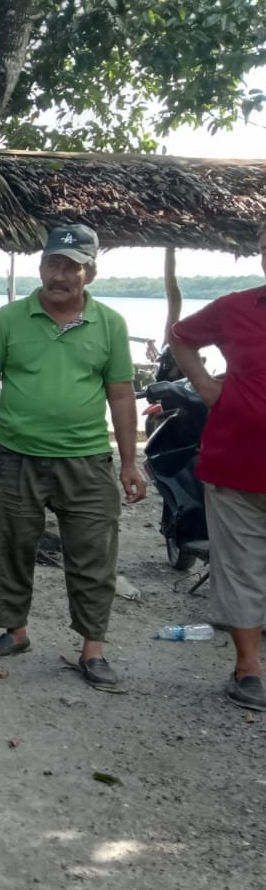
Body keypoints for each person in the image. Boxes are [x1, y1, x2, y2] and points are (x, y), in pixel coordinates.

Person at [0, 223, 147, 689]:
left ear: (90, 273)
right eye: (53, 264)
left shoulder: (110, 323)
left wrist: (129, 462)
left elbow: (122, 396)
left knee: (93, 554)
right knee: (6, 547)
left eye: (72, 266)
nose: (60, 275)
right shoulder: (8, 319)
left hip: (86, 460)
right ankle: (15, 632)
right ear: (41, 266)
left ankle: (93, 649)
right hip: (14, 456)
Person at [167, 223, 266, 711]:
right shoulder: (235, 307)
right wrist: (207, 386)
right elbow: (181, 336)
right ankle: (248, 669)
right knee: (239, 568)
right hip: (236, 467)